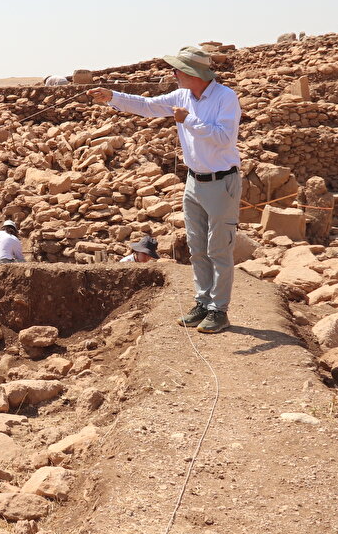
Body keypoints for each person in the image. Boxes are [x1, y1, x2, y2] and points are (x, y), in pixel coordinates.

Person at [89, 45, 241, 334]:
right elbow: (148, 106)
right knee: (197, 248)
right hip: (195, 181)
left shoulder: (226, 98)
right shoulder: (182, 95)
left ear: (190, 73)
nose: (172, 75)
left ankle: (219, 310)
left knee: (218, 249)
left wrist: (189, 121)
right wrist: (113, 97)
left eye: (176, 70)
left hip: (222, 182)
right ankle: (202, 303)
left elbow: (223, 138)